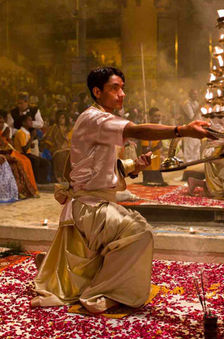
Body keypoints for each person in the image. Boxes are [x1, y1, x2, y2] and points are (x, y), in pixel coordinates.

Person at [31, 66, 213, 314]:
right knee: (139, 232)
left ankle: (88, 278)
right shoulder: (94, 118)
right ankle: (103, 292)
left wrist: (132, 166)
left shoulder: (100, 118)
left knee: (132, 228)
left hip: (95, 202)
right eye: (114, 88)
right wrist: (181, 130)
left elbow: (98, 167)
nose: (122, 93)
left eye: (123, 88)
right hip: (90, 207)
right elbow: (135, 130)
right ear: (97, 91)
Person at [13, 115, 50, 184]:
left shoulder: (27, 132)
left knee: (45, 162)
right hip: (21, 154)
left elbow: (28, 145)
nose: (31, 122)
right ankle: (35, 181)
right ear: (24, 123)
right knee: (35, 161)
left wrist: (31, 143)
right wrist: (32, 137)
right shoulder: (21, 132)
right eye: (29, 120)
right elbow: (24, 149)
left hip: (27, 153)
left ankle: (42, 180)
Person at [41, 110, 71, 182]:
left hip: (69, 147)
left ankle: (69, 177)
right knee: (61, 155)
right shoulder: (54, 127)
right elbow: (48, 139)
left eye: (63, 118)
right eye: (60, 118)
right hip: (56, 148)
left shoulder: (69, 128)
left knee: (71, 154)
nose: (61, 120)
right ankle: (59, 176)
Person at [141, 107, 167, 185]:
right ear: (150, 117)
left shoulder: (159, 128)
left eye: (159, 116)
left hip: (157, 166)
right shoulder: (147, 129)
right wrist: (156, 147)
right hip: (149, 168)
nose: (158, 118)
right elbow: (144, 150)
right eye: (155, 116)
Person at [182, 89, 202, 162]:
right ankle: (189, 166)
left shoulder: (196, 102)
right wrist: (199, 108)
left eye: (196, 94)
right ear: (190, 95)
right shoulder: (187, 103)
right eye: (194, 94)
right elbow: (191, 117)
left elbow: (199, 117)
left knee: (197, 148)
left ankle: (196, 164)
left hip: (197, 128)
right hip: (189, 128)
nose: (196, 95)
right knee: (189, 148)